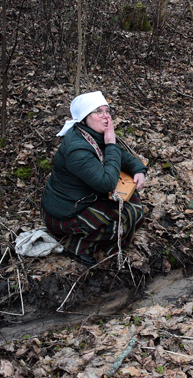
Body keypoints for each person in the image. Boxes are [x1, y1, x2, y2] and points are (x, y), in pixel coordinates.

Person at [41, 91, 147, 266]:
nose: (106, 117)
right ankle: (78, 246)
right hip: (62, 215)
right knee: (126, 214)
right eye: (98, 112)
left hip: (80, 201)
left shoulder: (91, 135)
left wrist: (138, 169)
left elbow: (119, 155)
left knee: (133, 202)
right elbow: (106, 183)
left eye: (107, 111)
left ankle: (103, 241)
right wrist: (111, 143)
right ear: (84, 118)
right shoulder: (77, 149)